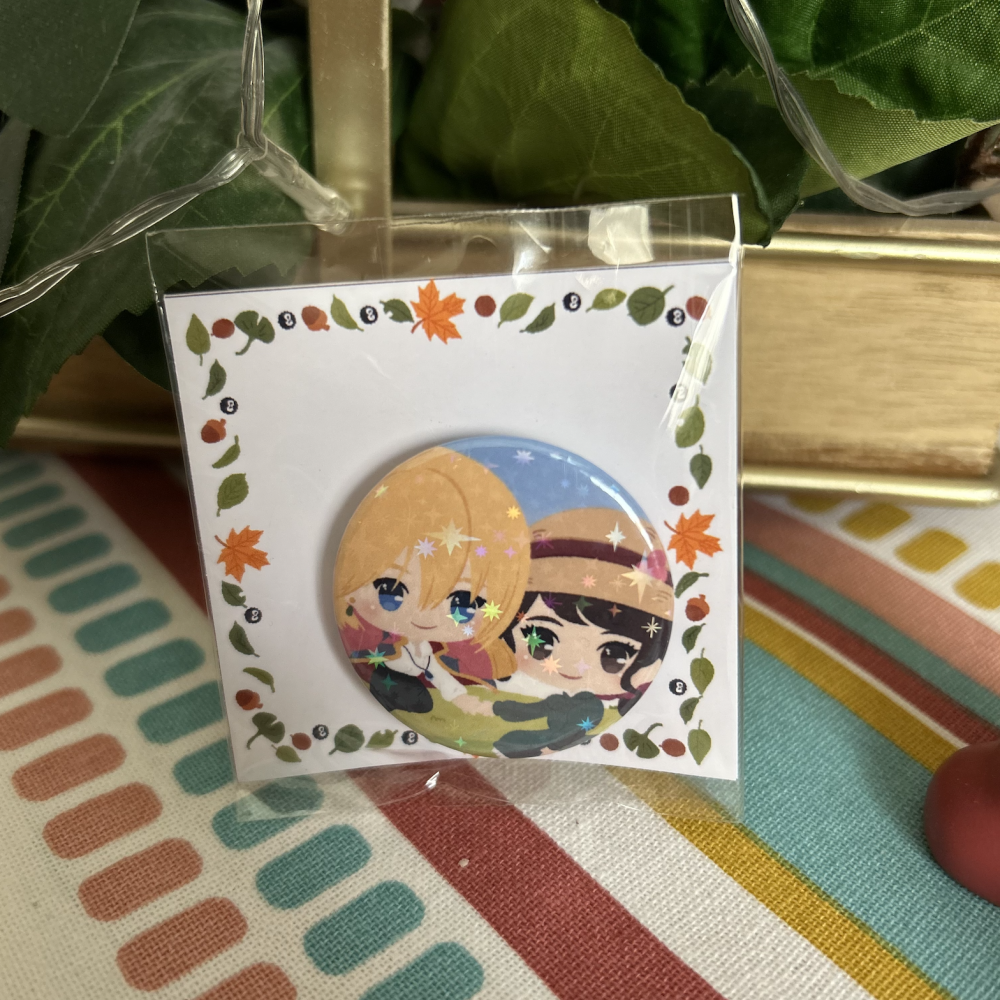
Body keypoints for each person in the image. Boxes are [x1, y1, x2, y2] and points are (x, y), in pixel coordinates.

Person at [334, 446, 530, 718]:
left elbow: (436, 673)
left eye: (462, 603)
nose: (424, 617)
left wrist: (464, 700)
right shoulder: (374, 645)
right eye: (391, 591)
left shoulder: (426, 650)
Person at [492, 507, 673, 757]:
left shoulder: (599, 707)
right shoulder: (499, 674)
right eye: (542, 639)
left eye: (614, 654)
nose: (573, 666)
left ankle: (542, 740)